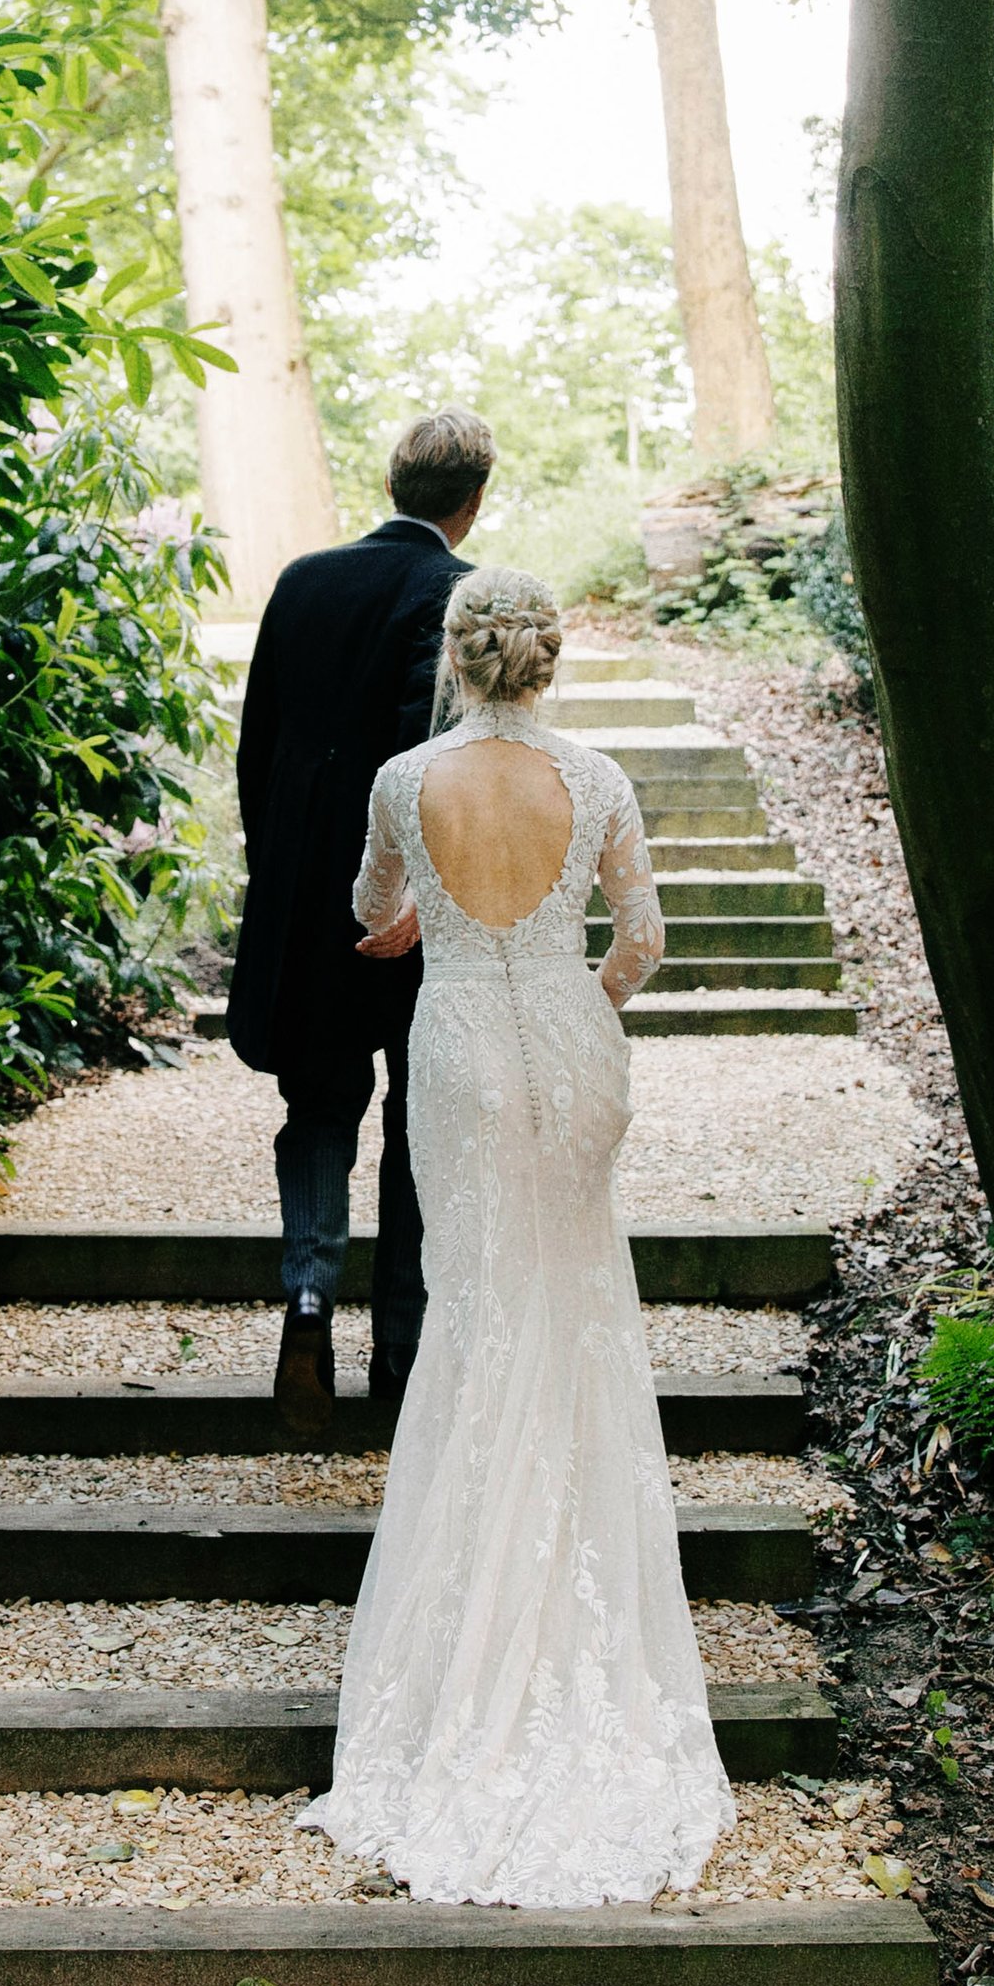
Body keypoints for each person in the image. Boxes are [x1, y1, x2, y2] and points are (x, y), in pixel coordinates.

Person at [297, 568, 734, 1905]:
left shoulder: (403, 777)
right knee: (577, 1307)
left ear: (458, 655)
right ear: (547, 661)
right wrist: (580, 987)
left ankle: (467, 1636)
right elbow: (644, 940)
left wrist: (427, 917)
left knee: (482, 1310)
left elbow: (374, 918)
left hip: (463, 1046)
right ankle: (583, 1620)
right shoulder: (597, 776)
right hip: (569, 1036)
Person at [226, 408, 495, 1436]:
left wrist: (290, 875)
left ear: (392, 484)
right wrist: (423, 893)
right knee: (419, 1120)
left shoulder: (301, 582)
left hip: (310, 904)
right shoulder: (460, 592)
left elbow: (261, 751)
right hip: (420, 912)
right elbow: (436, 753)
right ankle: (402, 1348)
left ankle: (305, 1297)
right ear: (473, 500)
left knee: (319, 1107)